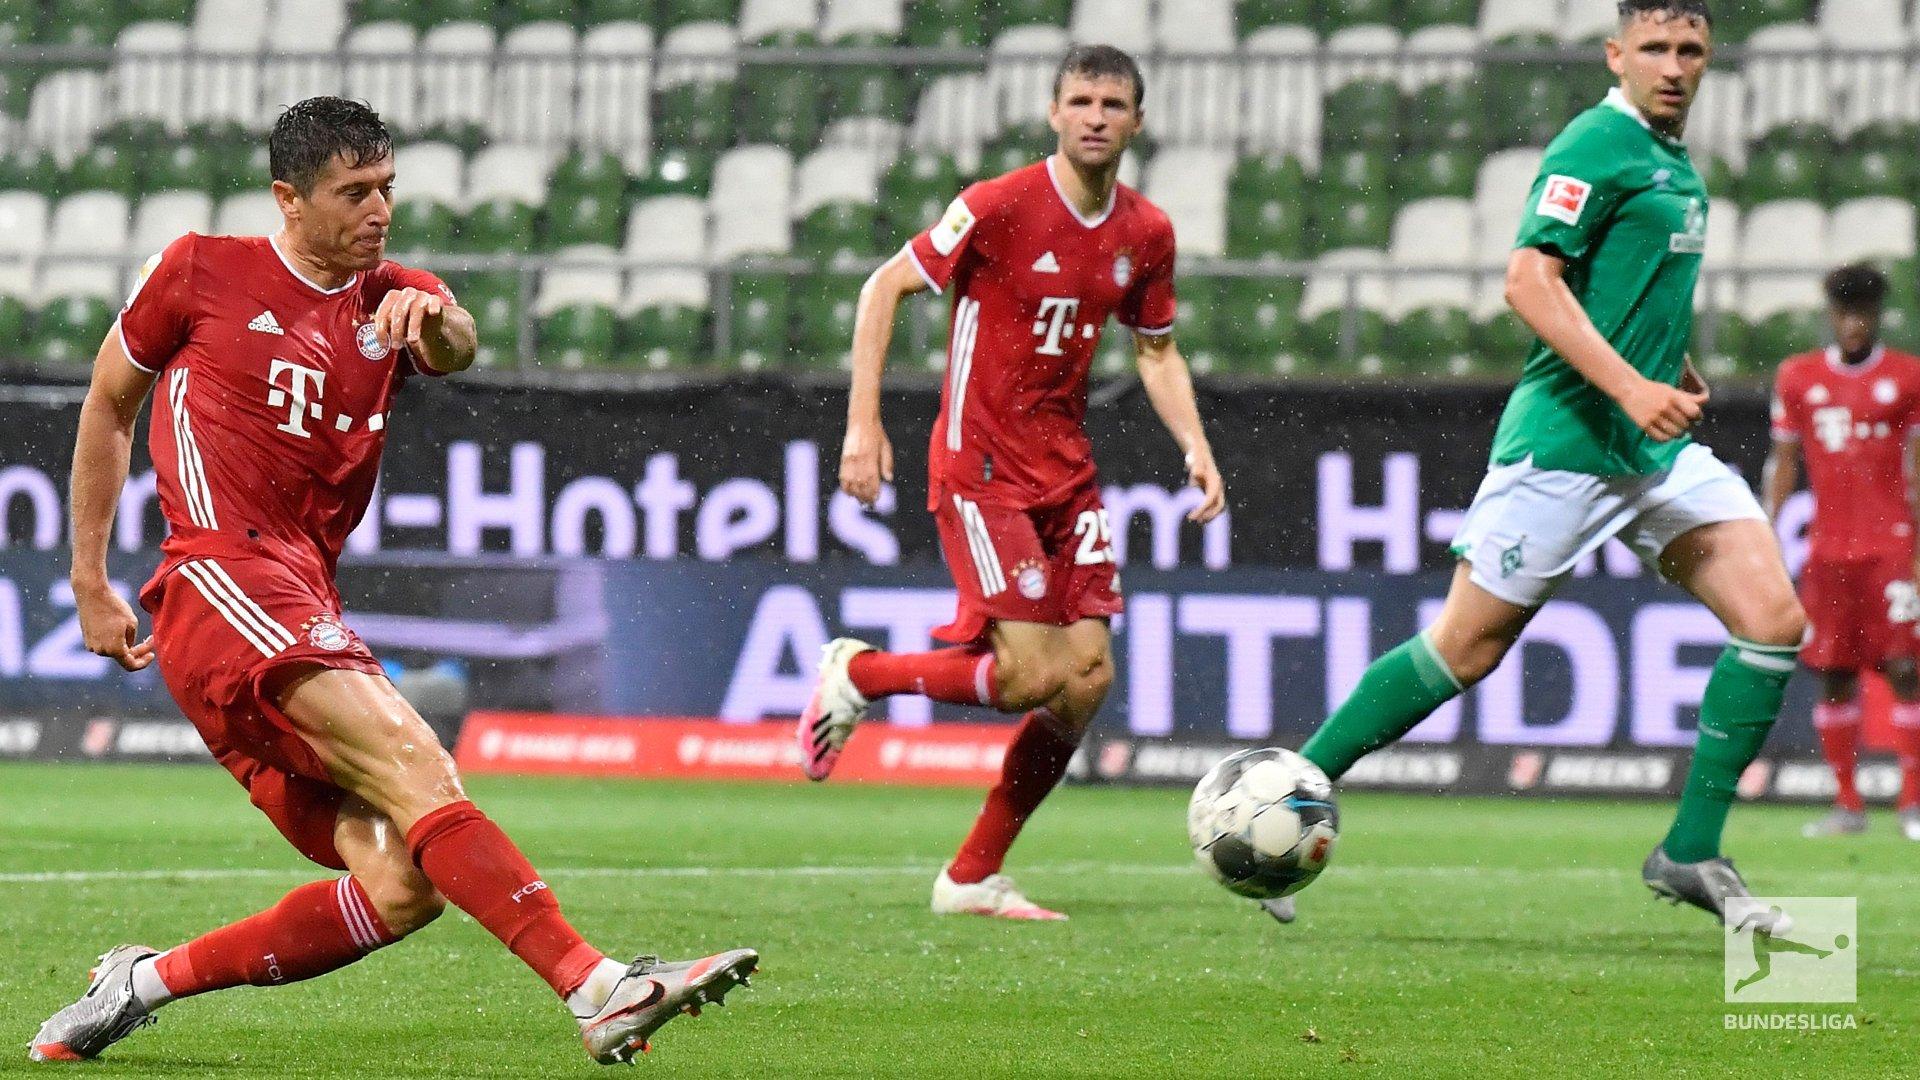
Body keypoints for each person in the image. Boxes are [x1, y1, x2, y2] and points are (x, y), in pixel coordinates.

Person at [32, 98, 756, 1067]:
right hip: (219, 576)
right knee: (422, 766)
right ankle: (602, 988)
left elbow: (454, 347)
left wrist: (440, 320)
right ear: (288, 199)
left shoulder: (394, 292)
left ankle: (143, 981)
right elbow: (110, 403)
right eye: (354, 193)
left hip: (298, 593)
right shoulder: (202, 269)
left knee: (398, 889)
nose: (379, 212)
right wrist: (88, 579)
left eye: (388, 190)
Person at [1275, 0, 1805, 929]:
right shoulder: (1596, 142)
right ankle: (1290, 792)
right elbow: (1529, 279)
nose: (1674, 65)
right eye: (1655, 48)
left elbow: (1622, 286)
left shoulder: (1673, 162)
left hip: (1652, 452)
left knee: (1773, 621)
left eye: (1691, 49)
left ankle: (1689, 851)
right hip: (1566, 443)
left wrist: (1663, 364)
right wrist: (1632, 387)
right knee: (1463, 649)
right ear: (1616, 54)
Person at [796, 45, 1226, 920]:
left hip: (1066, 474)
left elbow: (1156, 349)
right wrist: (862, 424)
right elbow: (884, 287)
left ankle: (970, 877)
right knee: (1031, 677)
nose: (1096, 115)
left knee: (1088, 679)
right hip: (981, 463)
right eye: (1081, 100)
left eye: (1113, 102)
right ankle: (863, 674)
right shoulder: (998, 205)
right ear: (1054, 113)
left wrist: (1196, 443)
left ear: (1138, 121)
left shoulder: (1147, 233)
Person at [1764, 263, 1920, 842]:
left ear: (1878, 316)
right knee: (1832, 673)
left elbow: (1918, 470)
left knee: (1905, 670)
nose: (1855, 324)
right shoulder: (1798, 377)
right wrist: (1767, 534)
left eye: (1865, 313)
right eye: (1845, 312)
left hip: (1891, 547)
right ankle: (1848, 805)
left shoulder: (1908, 377)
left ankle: (1911, 804)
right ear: (1832, 315)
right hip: (1828, 549)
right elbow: (1783, 464)